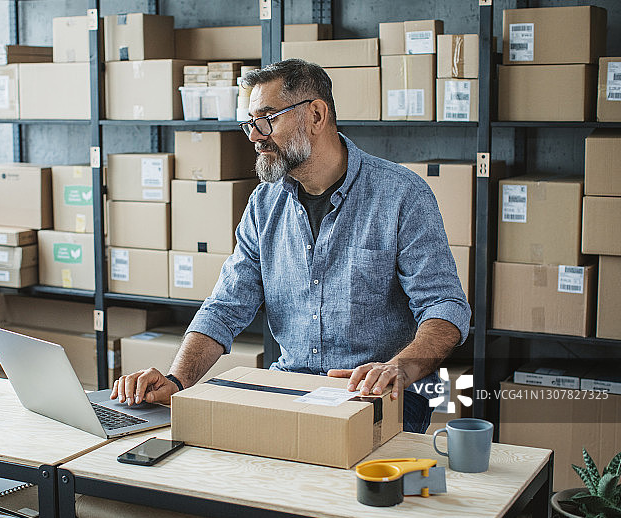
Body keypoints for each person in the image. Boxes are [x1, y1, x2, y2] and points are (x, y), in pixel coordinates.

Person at [111, 58, 470, 433]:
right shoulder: (265, 204)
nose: (254, 135)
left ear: (316, 115)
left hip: (379, 393)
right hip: (290, 386)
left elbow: (445, 306)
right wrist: (177, 381)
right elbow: (225, 306)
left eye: (268, 118)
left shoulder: (400, 195)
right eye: (250, 122)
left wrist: (401, 366)